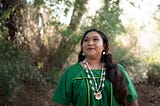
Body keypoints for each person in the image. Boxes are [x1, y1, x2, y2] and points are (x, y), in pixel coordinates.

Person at [52, 29, 139, 106]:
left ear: (104, 46)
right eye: (86, 40)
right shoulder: (72, 72)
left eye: (95, 39)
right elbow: (60, 103)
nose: (90, 43)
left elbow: (132, 101)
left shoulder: (118, 70)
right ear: (82, 47)